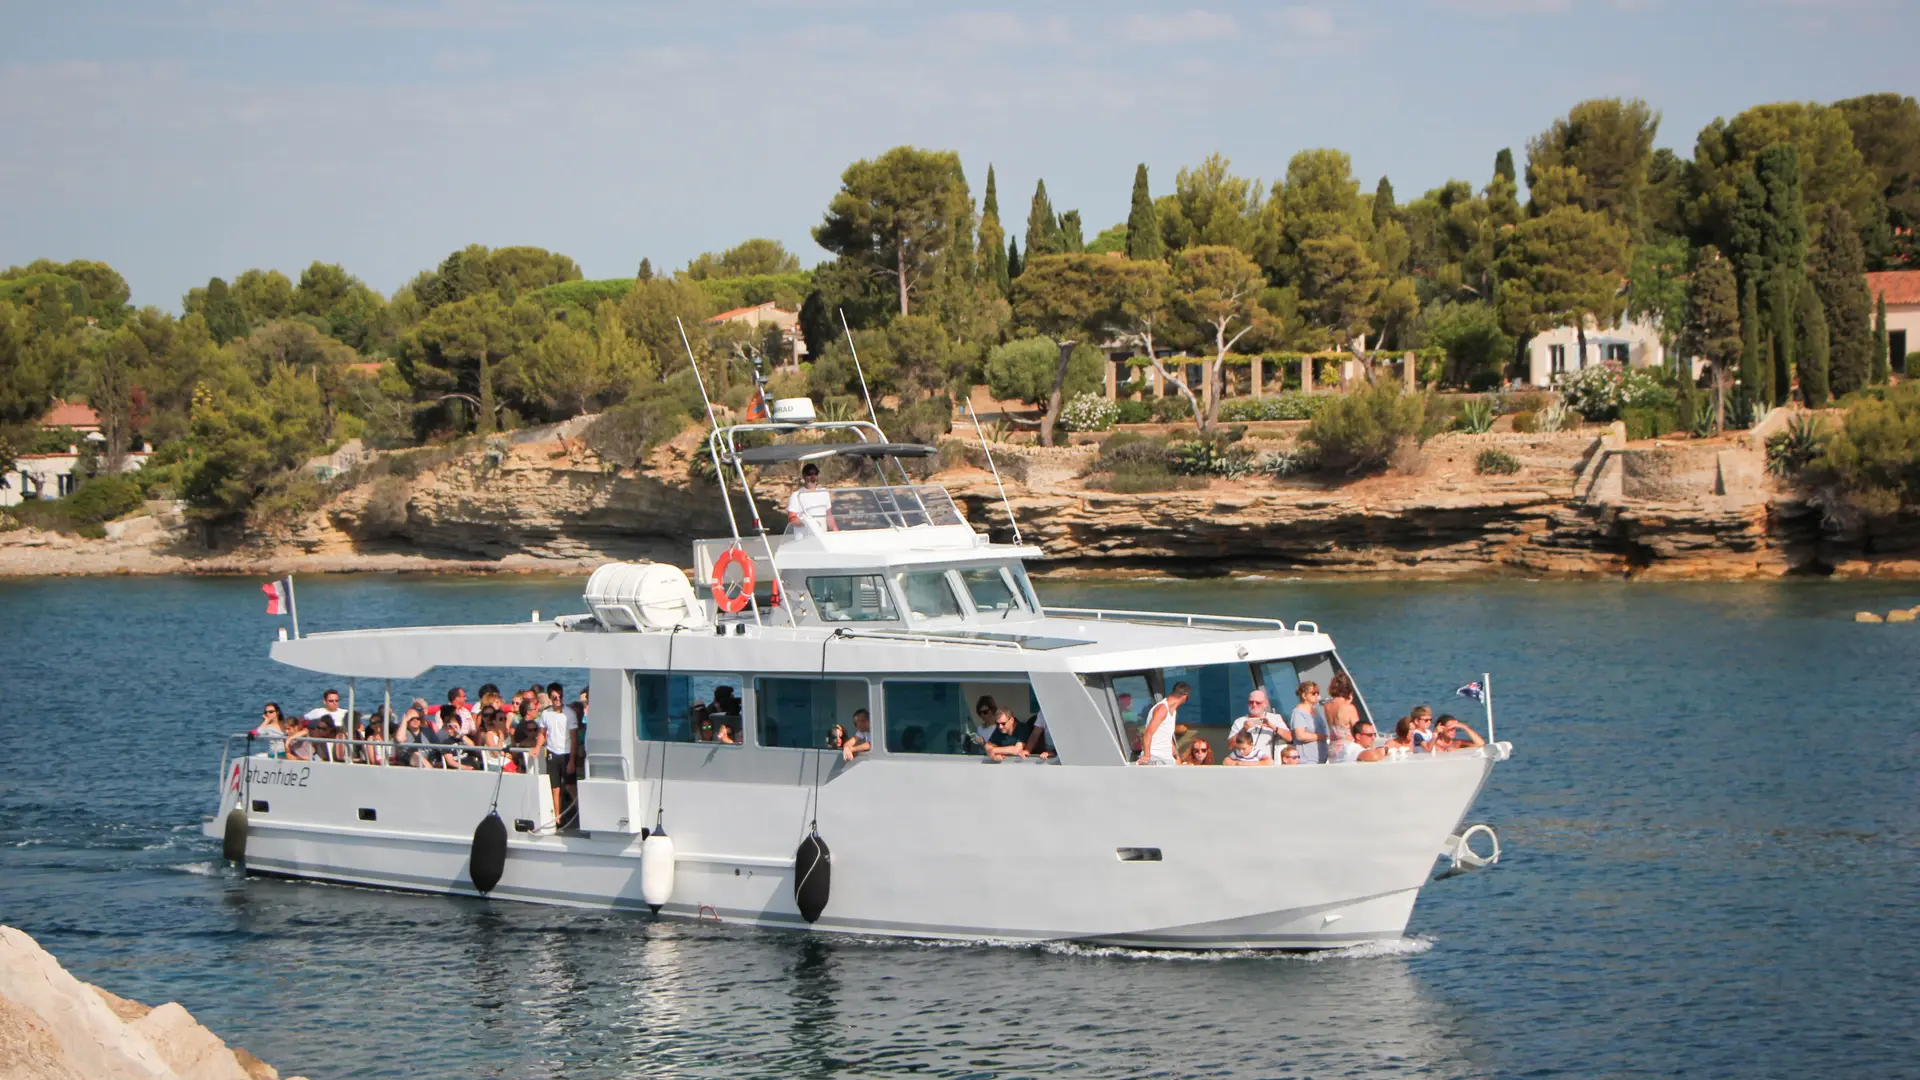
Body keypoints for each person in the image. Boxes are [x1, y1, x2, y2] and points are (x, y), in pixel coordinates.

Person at [538, 685, 578, 823]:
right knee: (555, 787)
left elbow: (573, 738)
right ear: (550, 697)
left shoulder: (569, 713)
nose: (558, 699)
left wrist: (572, 760)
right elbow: (542, 733)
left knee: (570, 786)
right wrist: (537, 748)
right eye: (555, 697)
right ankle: (557, 818)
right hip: (552, 752)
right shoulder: (546, 714)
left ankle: (579, 812)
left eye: (560, 696)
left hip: (566, 753)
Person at [1229, 689, 1293, 761]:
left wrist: (1272, 727)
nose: (1254, 705)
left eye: (1258, 703)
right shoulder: (1239, 721)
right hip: (1245, 764)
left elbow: (1289, 738)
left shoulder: (1275, 718)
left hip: (1267, 763)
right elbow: (1231, 746)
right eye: (1251, 702)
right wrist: (1243, 729)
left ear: (1265, 704)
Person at [1137, 683, 1188, 766]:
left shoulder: (1173, 711)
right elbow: (1148, 733)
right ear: (1184, 696)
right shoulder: (1162, 709)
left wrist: (1176, 756)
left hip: (1167, 758)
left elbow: (1167, 736)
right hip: (1155, 757)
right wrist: (1147, 756)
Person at [786, 462, 833, 534]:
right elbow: (791, 518)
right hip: (804, 539)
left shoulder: (824, 492)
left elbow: (829, 517)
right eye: (809, 473)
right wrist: (806, 524)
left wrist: (837, 532)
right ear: (804, 476)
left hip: (822, 536)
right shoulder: (796, 495)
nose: (812, 476)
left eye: (815, 473)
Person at [1324, 673, 1360, 761]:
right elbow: (1358, 730)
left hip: (1333, 748)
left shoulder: (1327, 706)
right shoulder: (1349, 708)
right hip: (1346, 749)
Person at [1290, 681, 1329, 764]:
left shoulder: (1316, 711)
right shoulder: (1298, 713)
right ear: (1304, 695)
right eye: (1313, 693)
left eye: (1318, 693)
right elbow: (1300, 735)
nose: (1317, 695)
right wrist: (1320, 737)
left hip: (1321, 759)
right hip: (1307, 760)